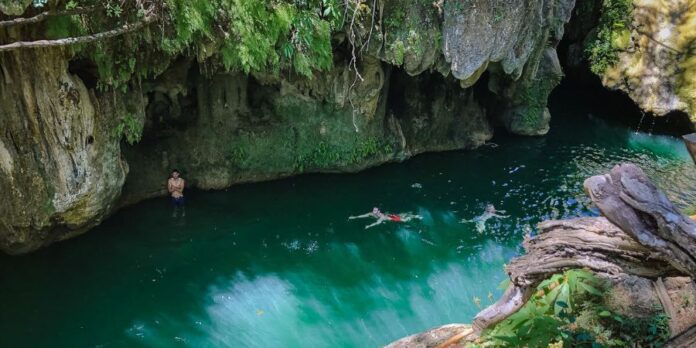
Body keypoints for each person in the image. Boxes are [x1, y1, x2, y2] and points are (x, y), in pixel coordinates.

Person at [349, 207, 422, 229]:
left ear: (378, 211)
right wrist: (355, 217)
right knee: (402, 215)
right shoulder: (371, 213)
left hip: (391, 218)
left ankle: (416, 216)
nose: (375, 213)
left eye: (376, 212)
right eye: (375, 212)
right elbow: (364, 215)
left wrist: (369, 226)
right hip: (390, 215)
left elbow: (377, 223)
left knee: (405, 220)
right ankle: (414, 216)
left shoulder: (381, 217)